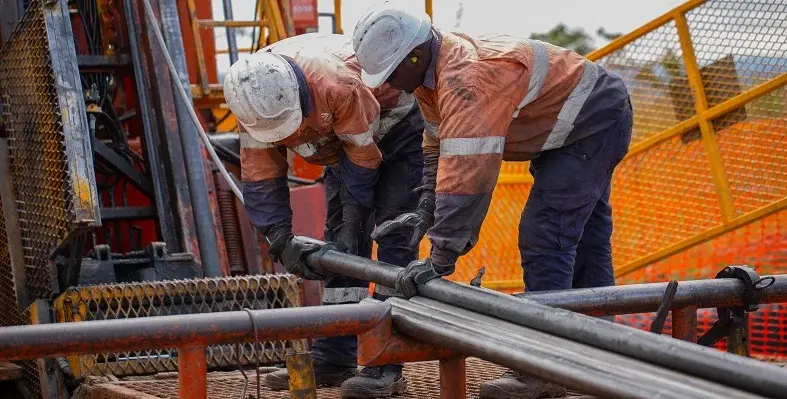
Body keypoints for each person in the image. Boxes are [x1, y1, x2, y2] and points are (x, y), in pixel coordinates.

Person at [353, 3, 633, 398]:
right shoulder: (429, 78)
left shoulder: (468, 75)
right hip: (573, 126)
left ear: (414, 55)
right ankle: (604, 357)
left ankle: (546, 367)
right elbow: (438, 146)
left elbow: (469, 172)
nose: (392, 86)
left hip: (592, 121)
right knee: (584, 240)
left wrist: (441, 256)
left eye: (392, 73)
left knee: (546, 234)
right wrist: (427, 208)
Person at [224, 33, 425, 398]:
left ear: (299, 97)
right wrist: (279, 238)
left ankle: (386, 365)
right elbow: (261, 176)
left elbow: (363, 160)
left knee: (394, 238)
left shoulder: (337, 85)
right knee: (340, 251)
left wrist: (353, 221)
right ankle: (334, 356)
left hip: (397, 129)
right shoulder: (254, 104)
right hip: (341, 139)